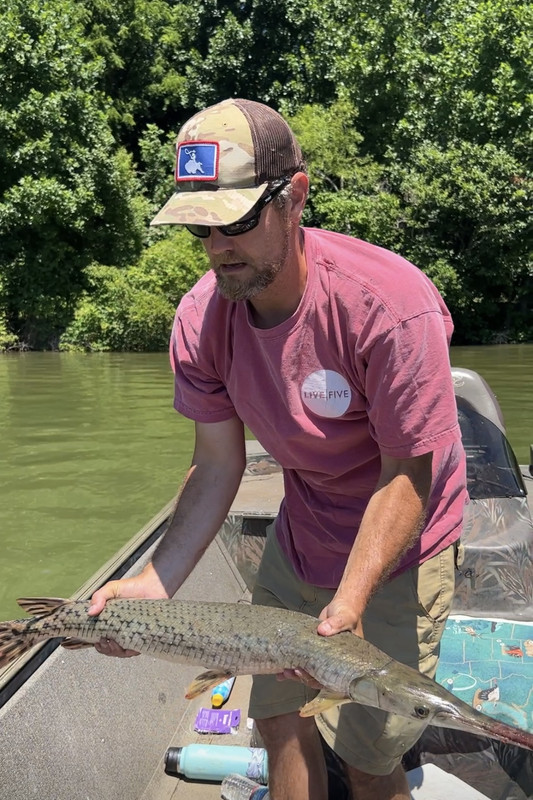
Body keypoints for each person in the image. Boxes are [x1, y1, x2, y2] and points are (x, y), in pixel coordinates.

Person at [89, 97, 467, 800]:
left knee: (369, 756)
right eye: (200, 226)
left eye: (234, 221)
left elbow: (409, 471)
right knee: (277, 720)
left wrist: (347, 606)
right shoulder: (202, 318)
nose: (215, 246)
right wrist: (157, 580)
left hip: (401, 552)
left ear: (294, 197)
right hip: (299, 538)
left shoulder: (387, 306)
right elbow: (217, 462)